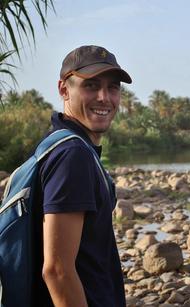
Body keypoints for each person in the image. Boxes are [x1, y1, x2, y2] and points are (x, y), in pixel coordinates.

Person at [36, 45, 132, 306]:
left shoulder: (63, 145)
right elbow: (57, 270)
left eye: (113, 87)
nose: (104, 97)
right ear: (64, 89)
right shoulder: (72, 155)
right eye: (91, 86)